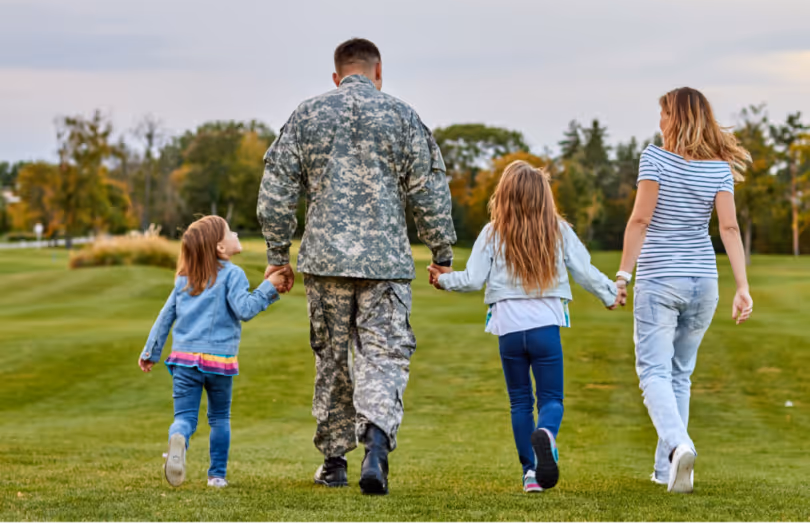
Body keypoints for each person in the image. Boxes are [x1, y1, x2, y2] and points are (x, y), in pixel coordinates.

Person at [257, 38, 455, 495]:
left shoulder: (307, 115)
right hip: (385, 262)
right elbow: (430, 190)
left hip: (325, 261)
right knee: (384, 353)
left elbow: (277, 187)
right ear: (378, 71)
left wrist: (276, 256)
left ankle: (334, 461)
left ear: (337, 75)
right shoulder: (403, 117)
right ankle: (377, 443)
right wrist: (440, 254)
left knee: (332, 358)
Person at [428, 161, 619, 493]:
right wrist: (610, 293)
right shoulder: (558, 231)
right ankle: (546, 434)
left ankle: (531, 473)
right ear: (544, 197)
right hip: (546, 326)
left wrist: (443, 281)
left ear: (503, 195)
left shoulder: (492, 232)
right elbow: (585, 271)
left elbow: (472, 280)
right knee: (551, 400)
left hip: (509, 329)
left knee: (519, 401)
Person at [615, 87, 754, 494]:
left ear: (673, 118)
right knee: (680, 375)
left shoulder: (654, 158)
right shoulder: (718, 168)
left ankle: (680, 445)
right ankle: (666, 470)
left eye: (662, 114)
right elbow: (728, 229)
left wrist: (623, 275)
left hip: (660, 280)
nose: (659, 122)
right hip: (704, 283)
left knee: (654, 372)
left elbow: (639, 221)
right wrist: (742, 286)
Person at [138, 215, 286, 488]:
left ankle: (178, 439)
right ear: (220, 248)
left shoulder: (184, 279)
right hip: (219, 362)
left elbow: (165, 316)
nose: (237, 234)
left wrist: (151, 351)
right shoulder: (233, 274)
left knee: (184, 418)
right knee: (219, 418)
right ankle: (216, 476)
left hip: (184, 361)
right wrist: (270, 288)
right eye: (231, 232)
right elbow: (245, 309)